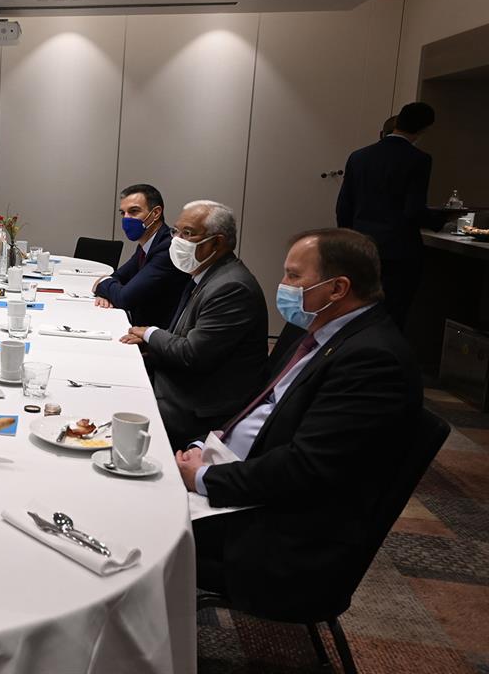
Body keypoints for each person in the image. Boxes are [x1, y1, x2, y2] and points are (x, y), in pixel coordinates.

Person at [176, 228, 421, 620]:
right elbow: (262, 408)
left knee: (136, 521)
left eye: (293, 276)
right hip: (247, 479)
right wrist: (204, 446)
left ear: (338, 288)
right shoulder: (319, 332)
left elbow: (306, 467)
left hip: (284, 532)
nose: (282, 285)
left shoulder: (374, 360)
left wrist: (203, 479)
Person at [120, 200, 267, 449]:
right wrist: (152, 344)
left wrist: (150, 334)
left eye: (187, 234)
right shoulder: (206, 274)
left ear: (217, 243)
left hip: (195, 407)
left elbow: (191, 354)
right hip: (179, 382)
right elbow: (189, 339)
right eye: (175, 231)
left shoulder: (231, 287)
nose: (176, 239)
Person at [336, 102, 443, 327]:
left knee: (356, 309)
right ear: (424, 129)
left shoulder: (359, 157)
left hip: (362, 247)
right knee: (393, 313)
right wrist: (440, 221)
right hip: (399, 250)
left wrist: (349, 241)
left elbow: (344, 206)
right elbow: (413, 210)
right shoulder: (419, 159)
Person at [91, 184, 189, 329]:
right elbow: (118, 276)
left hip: (156, 337)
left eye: (134, 211)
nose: (126, 219)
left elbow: (124, 298)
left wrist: (102, 284)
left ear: (156, 213)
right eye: (123, 213)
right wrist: (107, 292)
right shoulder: (147, 243)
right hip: (139, 326)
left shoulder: (167, 248)